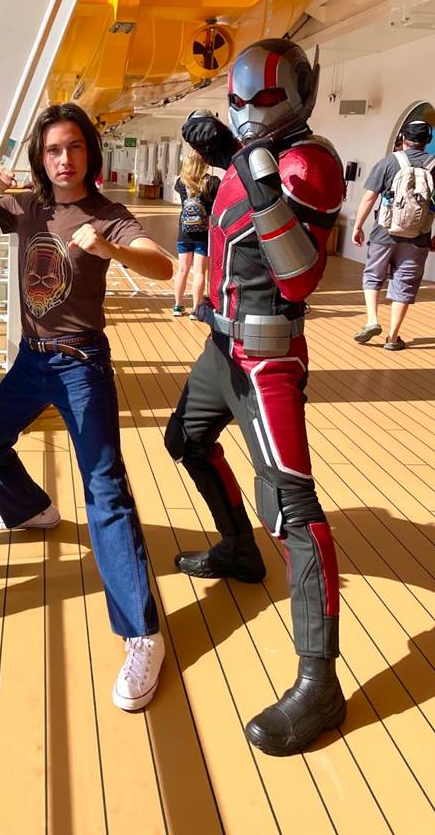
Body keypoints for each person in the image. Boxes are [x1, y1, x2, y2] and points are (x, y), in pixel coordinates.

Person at [0, 102, 173, 711]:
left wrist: (108, 249)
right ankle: (34, 509)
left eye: (74, 146)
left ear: (89, 153)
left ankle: (142, 635)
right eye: (53, 149)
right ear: (40, 159)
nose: (64, 158)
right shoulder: (28, 206)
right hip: (31, 361)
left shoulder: (108, 214)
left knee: (106, 491)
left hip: (81, 364)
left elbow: (162, 266)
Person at [170, 39, 346, 756]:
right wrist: (232, 163)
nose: (248, 112)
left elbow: (299, 275)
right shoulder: (262, 155)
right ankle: (239, 549)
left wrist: (246, 165)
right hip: (221, 347)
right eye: (238, 100)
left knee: (295, 513)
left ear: (299, 94)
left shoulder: (311, 162)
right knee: (185, 440)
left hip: (267, 357)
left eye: (265, 98)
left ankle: (320, 683)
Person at [352, 119, 435, 350]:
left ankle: (372, 320)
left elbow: (369, 197)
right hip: (419, 237)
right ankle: (393, 337)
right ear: (427, 140)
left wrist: (358, 226)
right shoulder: (434, 166)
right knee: (404, 283)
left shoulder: (388, 162)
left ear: (403, 139)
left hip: (384, 233)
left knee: (373, 276)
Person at [172, 138, 220, 318]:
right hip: (203, 233)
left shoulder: (180, 183)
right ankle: (196, 309)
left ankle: (178, 306)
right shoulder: (212, 182)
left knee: (182, 270)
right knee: (200, 271)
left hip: (184, 232)